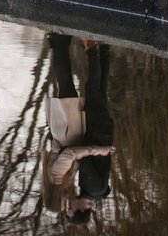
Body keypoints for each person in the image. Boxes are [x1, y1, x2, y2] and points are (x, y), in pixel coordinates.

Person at [41, 32, 115, 226]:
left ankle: (59, 42)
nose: (67, 206)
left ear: (56, 199)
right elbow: (57, 149)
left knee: (65, 84)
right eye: (69, 209)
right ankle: (58, 43)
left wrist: (97, 150)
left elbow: (71, 153)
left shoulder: (57, 177)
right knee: (66, 85)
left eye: (64, 207)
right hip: (67, 129)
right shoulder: (58, 179)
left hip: (69, 128)